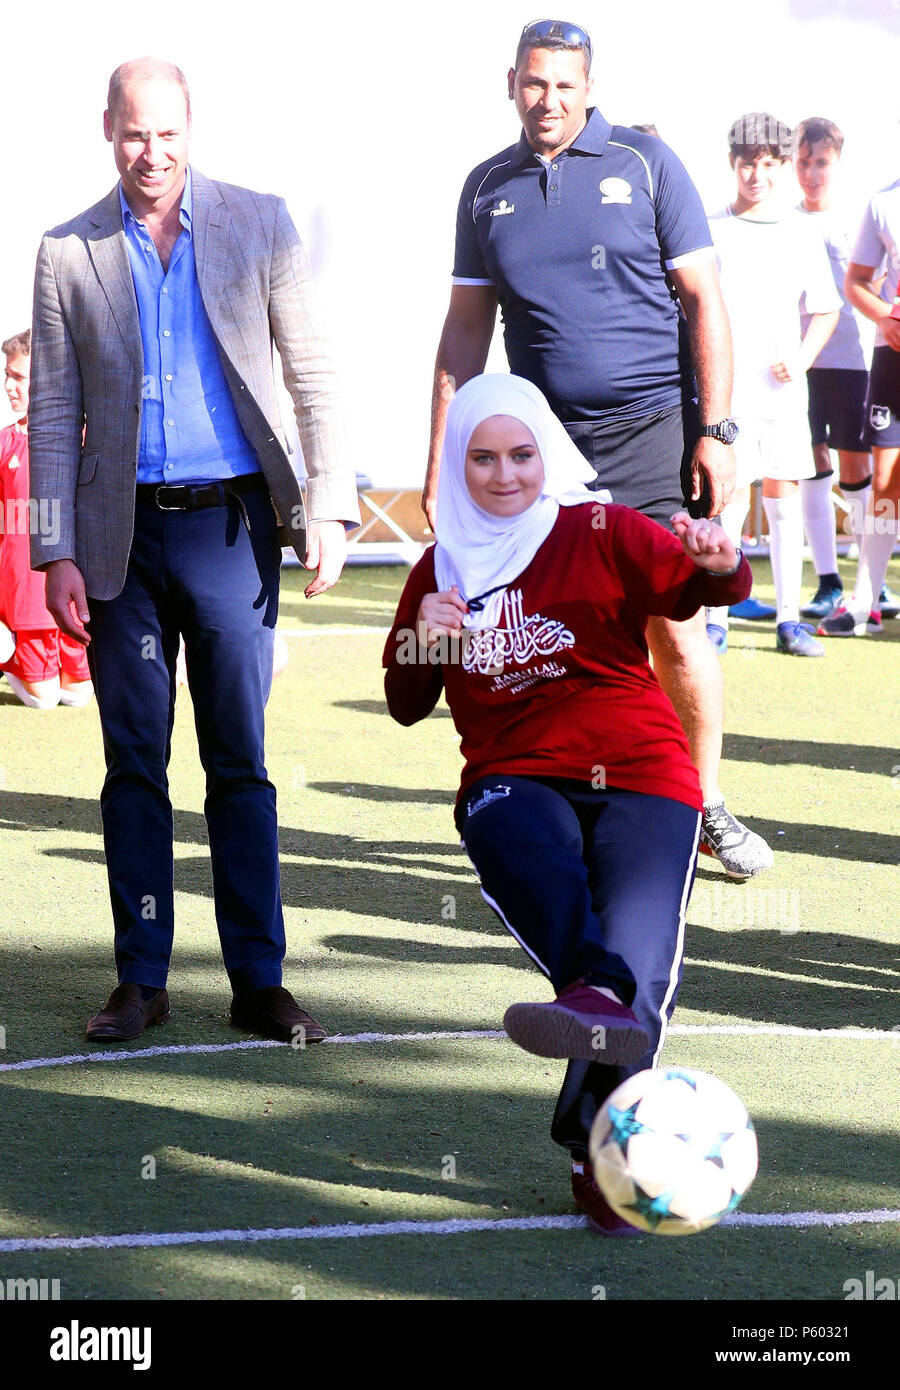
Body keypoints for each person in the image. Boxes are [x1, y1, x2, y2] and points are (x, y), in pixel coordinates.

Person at [28, 57, 359, 1042]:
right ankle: (142, 978)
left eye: (167, 133)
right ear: (107, 131)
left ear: (190, 129)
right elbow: (53, 409)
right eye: (134, 134)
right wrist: (54, 550)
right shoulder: (64, 252)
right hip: (115, 539)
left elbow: (314, 372)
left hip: (233, 527)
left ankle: (259, 980)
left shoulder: (259, 223)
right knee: (134, 761)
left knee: (239, 759)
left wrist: (331, 508)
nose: (151, 153)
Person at [385, 374, 752, 1234]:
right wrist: (422, 638)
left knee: (640, 973)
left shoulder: (599, 526)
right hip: (514, 774)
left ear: (546, 452)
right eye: (482, 457)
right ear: (456, 461)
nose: (504, 474)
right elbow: (405, 700)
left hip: (643, 770)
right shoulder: (438, 568)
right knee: (548, 877)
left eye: (521, 454)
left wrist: (721, 560)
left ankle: (601, 1153)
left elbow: (701, 589)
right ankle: (592, 986)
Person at [422, 18, 771, 880]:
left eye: (565, 85)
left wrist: (717, 431)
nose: (549, 100)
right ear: (511, 84)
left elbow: (705, 301)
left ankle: (706, 802)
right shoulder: (484, 188)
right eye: (535, 83)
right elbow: (463, 338)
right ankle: (582, 801)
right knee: (558, 636)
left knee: (676, 631)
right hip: (543, 459)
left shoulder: (648, 165)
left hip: (656, 435)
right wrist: (438, 462)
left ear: (589, 86)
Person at [706, 113, 841, 656]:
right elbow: (694, 308)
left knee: (784, 500)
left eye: (767, 163)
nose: (755, 174)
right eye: (746, 162)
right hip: (729, 391)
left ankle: (790, 619)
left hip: (784, 396)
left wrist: (802, 358)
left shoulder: (801, 231)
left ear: (782, 166)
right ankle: (717, 619)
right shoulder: (710, 228)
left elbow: (826, 309)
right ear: (732, 163)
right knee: (728, 501)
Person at [793, 117, 897, 622]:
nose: (812, 173)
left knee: (859, 466)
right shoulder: (783, 220)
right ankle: (829, 582)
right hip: (797, 362)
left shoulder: (859, 214)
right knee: (810, 462)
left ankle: (868, 587)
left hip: (854, 361)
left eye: (822, 163)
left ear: (838, 163)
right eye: (804, 162)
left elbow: (868, 285)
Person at [817, 167, 900, 636]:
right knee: (885, 483)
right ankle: (865, 600)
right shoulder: (883, 203)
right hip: (894, 357)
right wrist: (886, 317)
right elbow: (857, 282)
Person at [0, 331, 94, 709]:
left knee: (77, 695)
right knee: (43, 700)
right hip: (23, 595)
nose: (8, 385)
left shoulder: (85, 437)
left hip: (73, 593)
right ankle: (7, 652)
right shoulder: (5, 443)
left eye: (19, 377)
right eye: (7, 375)